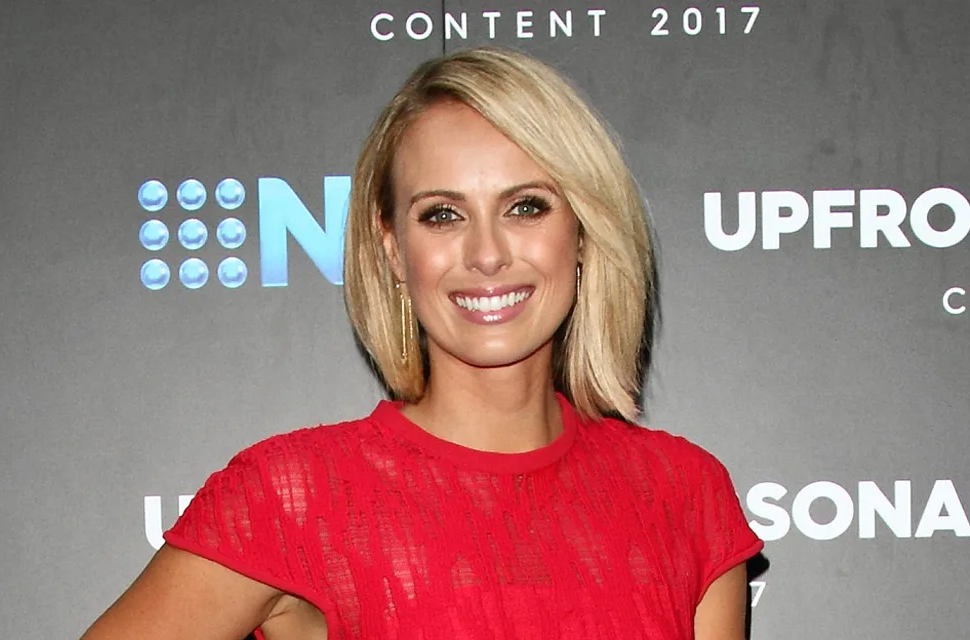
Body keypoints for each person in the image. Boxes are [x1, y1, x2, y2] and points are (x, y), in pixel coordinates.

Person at [82, 46, 762, 640]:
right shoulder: (293, 497)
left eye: (526, 206)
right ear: (392, 249)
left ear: (582, 230)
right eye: (442, 215)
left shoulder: (683, 494)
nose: (487, 254)